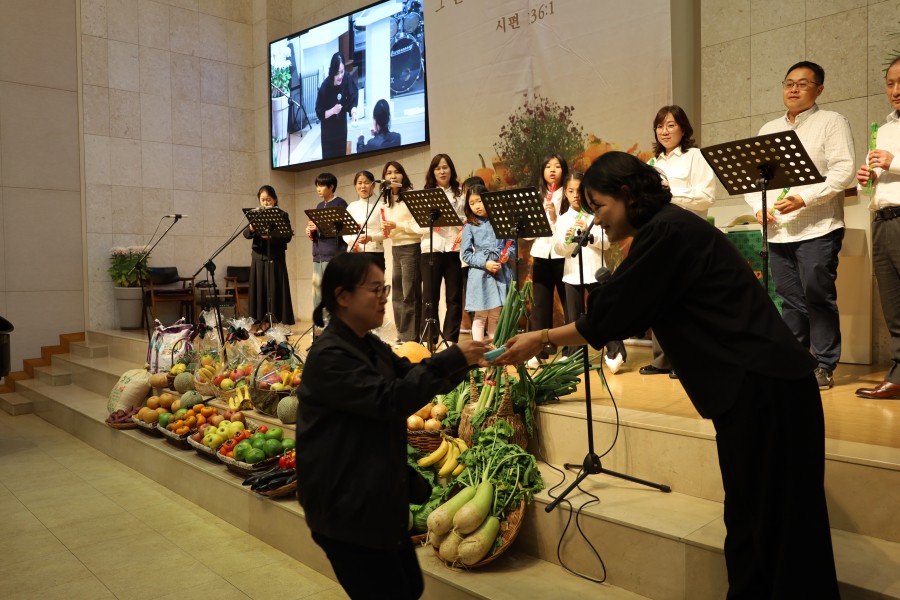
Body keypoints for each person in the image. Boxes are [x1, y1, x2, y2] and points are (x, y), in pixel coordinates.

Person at [493, 151, 840, 599]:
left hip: (767, 389)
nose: (596, 221)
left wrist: (540, 338)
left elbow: (609, 313)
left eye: (598, 206)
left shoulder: (668, 232)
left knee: (781, 529)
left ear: (626, 194)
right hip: (756, 390)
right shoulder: (663, 229)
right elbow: (616, 310)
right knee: (752, 522)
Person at [295, 252, 486, 599]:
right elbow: (388, 400)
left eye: (384, 288)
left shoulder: (368, 344)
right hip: (344, 508)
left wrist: (472, 360)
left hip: (374, 500)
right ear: (342, 296)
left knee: (410, 587)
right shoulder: (329, 356)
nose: (384, 296)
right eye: (374, 289)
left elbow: (412, 376)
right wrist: (453, 356)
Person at [744, 60, 855, 390]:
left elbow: (843, 171)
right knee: (789, 298)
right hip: (779, 230)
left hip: (818, 226)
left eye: (802, 84)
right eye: (788, 83)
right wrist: (758, 208)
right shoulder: (768, 130)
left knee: (817, 295)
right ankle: (794, 359)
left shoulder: (831, 122)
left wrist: (805, 199)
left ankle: (824, 363)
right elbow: (754, 182)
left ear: (819, 89)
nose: (793, 89)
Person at [642, 105, 716, 379]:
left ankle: (689, 360)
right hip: (657, 237)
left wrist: (668, 193)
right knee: (659, 299)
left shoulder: (695, 157)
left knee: (687, 299)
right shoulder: (652, 164)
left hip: (688, 236)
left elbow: (706, 196)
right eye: (660, 126)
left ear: (683, 128)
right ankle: (662, 359)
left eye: (671, 125)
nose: (664, 131)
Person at [855, 56, 900, 400]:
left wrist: (893, 161)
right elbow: (878, 181)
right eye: (890, 83)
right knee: (893, 306)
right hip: (881, 218)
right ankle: (898, 375)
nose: (895, 90)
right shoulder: (883, 128)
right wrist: (863, 182)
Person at [551, 172, 625, 370]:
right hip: (572, 274)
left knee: (603, 313)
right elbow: (559, 249)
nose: (575, 195)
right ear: (565, 194)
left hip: (595, 271)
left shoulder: (596, 216)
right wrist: (567, 240)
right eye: (570, 191)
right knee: (573, 318)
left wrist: (589, 232)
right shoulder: (563, 219)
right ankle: (574, 356)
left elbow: (608, 243)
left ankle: (616, 352)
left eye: (579, 190)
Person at [416, 153, 465, 345]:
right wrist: (429, 223)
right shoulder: (425, 194)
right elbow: (415, 224)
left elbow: (468, 219)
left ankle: (451, 339)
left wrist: (461, 225)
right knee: (429, 297)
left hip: (453, 249)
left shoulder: (461, 194)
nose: (442, 171)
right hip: (431, 248)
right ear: (432, 172)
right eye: (437, 168)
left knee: (454, 297)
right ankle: (429, 338)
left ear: (451, 170)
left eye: (445, 167)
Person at [527, 153, 570, 364]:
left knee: (568, 302)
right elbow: (527, 233)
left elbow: (571, 225)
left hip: (563, 255)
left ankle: (571, 351)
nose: (552, 170)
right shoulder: (535, 196)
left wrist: (555, 217)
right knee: (541, 306)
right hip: (542, 253)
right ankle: (539, 351)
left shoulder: (571, 194)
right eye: (548, 167)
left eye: (557, 166)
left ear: (564, 170)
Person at [460, 184, 516, 342]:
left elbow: (512, 245)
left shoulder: (500, 220)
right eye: (472, 203)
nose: (477, 206)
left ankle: (495, 353)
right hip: (480, 274)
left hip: (500, 271)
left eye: (479, 201)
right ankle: (478, 354)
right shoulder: (470, 225)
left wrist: (506, 255)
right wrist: (485, 263)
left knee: (495, 314)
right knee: (480, 316)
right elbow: (466, 254)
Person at [243, 185, 295, 334]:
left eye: (268, 199)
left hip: (276, 257)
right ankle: (262, 324)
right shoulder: (255, 214)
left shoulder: (282, 214)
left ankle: (277, 325)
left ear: (275, 199)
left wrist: (271, 237)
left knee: (275, 289)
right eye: (263, 200)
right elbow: (246, 234)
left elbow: (287, 236)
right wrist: (252, 229)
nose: (265, 203)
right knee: (261, 290)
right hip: (259, 257)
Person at [380, 161, 421, 343]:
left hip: (411, 247)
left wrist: (398, 225)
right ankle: (402, 334)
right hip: (395, 248)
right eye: (389, 173)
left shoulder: (411, 197)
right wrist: (386, 230)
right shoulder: (386, 200)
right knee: (396, 294)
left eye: (396, 172)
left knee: (408, 293)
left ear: (403, 176)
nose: (393, 176)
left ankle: (411, 336)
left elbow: (419, 226)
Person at [306, 172, 348, 313]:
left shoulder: (340, 203)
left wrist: (320, 226)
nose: (318, 189)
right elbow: (320, 229)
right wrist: (311, 230)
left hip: (333, 253)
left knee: (330, 290)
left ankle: (331, 325)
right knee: (317, 291)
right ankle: (319, 326)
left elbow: (342, 229)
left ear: (331, 187)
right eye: (317, 186)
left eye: (322, 185)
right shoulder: (319, 205)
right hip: (318, 254)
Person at [315, 52, 358, 160]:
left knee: (341, 158)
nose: (340, 76)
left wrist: (353, 112)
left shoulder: (347, 78)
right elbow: (319, 113)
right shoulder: (325, 87)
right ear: (332, 71)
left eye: (342, 72)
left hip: (341, 129)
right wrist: (332, 111)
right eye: (337, 73)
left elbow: (353, 95)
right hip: (328, 133)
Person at [344, 170, 386, 272]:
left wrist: (371, 237)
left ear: (373, 186)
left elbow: (386, 233)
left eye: (367, 183)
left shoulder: (381, 205)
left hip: (374, 253)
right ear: (355, 186)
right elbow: (344, 230)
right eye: (359, 183)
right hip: (354, 253)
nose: (363, 186)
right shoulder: (351, 206)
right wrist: (350, 242)